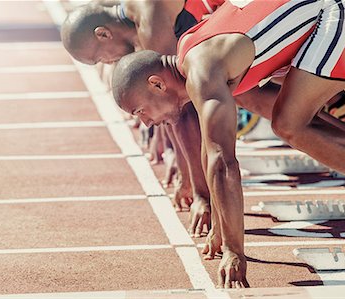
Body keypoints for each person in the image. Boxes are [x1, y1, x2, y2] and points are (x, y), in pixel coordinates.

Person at [111, 0, 345, 287]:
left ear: (157, 84)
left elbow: (223, 163)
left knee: (288, 124)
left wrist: (234, 250)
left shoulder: (202, 73)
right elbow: (212, 152)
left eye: (141, 112)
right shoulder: (193, 50)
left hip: (339, 11)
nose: (146, 123)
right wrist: (221, 225)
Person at [60, 0, 225, 236]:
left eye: (99, 58)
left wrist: (200, 193)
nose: (108, 63)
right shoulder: (137, 18)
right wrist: (176, 158)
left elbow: (181, 104)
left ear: (103, 34)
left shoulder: (151, 23)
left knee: (256, 104)